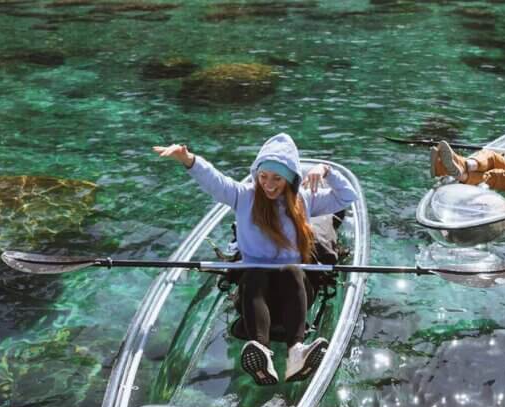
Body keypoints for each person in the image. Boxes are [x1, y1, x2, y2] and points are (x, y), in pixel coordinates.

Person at [153, 133, 358, 386]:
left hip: (295, 289)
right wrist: (188, 159)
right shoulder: (242, 196)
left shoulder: (304, 199)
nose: (269, 184)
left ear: (290, 179)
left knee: (291, 270)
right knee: (255, 273)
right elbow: (213, 180)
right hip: (256, 292)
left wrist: (326, 171)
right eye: (263, 177)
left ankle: (296, 353)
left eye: (276, 178)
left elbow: (348, 197)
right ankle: (262, 353)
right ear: (256, 175)